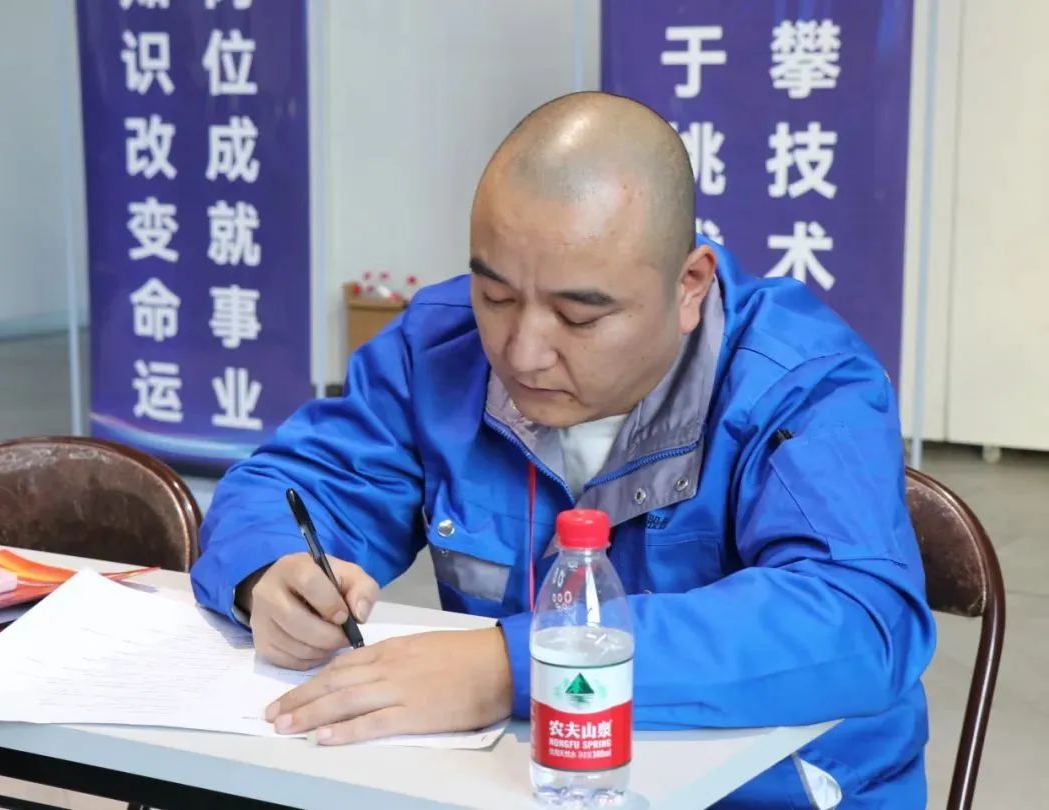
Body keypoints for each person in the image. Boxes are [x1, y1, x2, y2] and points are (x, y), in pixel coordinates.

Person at [192, 92, 935, 808]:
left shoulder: (799, 384)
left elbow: (858, 616)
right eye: (496, 296)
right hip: (523, 783)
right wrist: (271, 572)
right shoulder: (442, 346)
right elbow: (293, 484)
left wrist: (510, 667)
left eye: (579, 317)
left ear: (689, 285)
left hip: (762, 794)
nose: (523, 352)